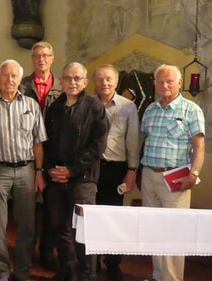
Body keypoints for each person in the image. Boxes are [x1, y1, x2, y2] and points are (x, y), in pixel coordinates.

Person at [43, 62, 108, 281]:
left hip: (83, 179)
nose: (72, 83)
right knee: (60, 226)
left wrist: (72, 170)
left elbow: (98, 146)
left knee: (84, 229)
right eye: (68, 78)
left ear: (85, 82)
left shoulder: (95, 107)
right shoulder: (53, 109)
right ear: (60, 81)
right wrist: (51, 170)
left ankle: (87, 275)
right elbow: (47, 143)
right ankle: (66, 271)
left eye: (77, 79)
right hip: (57, 179)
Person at [140, 64, 205, 281]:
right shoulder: (150, 109)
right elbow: (145, 139)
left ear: (179, 83)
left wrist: (194, 174)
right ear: (155, 84)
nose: (165, 85)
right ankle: (159, 276)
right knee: (154, 230)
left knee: (174, 232)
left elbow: (199, 147)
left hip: (176, 177)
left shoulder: (191, 109)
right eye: (160, 81)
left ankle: (172, 279)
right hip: (149, 175)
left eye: (170, 81)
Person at [0, 60, 47, 281]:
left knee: (27, 225)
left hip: (26, 170)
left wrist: (39, 171)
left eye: (14, 76)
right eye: (5, 75)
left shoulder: (31, 105)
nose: (9, 79)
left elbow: (38, 142)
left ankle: (22, 271)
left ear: (20, 79)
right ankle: (1, 272)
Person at [93, 64, 140, 281]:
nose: (104, 83)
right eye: (100, 79)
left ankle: (112, 263)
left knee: (113, 217)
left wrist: (131, 171)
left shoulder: (128, 107)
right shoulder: (88, 103)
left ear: (116, 81)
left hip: (115, 168)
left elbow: (132, 141)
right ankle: (90, 262)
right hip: (90, 168)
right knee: (90, 215)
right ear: (94, 81)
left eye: (109, 79)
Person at [19, 40, 60, 271]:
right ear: (32, 59)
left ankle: (47, 251)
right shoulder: (22, 85)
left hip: (53, 153)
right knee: (29, 207)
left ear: (52, 58)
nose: (41, 59)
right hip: (28, 151)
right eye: (37, 56)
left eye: (45, 55)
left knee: (51, 207)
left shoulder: (62, 86)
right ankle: (27, 251)